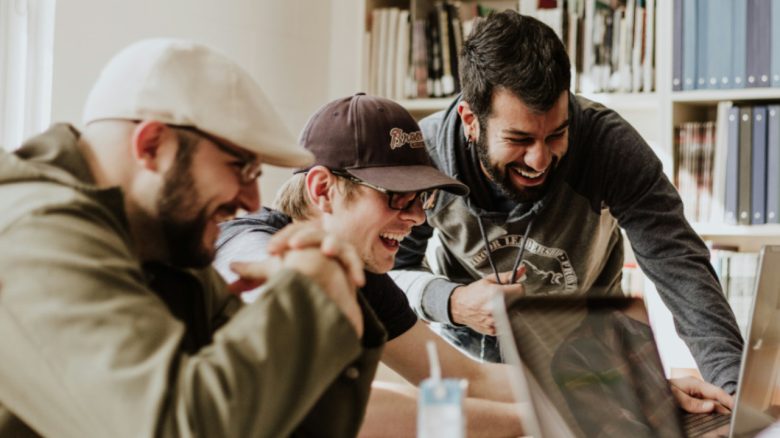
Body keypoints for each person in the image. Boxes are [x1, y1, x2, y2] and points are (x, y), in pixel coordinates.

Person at [0, 39, 382, 437]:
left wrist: (335, 295)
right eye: (241, 167)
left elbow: (281, 423)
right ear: (152, 146)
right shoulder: (36, 234)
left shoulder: (166, 246)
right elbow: (179, 428)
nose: (253, 202)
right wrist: (308, 295)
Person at [391, 10, 744, 399]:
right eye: (519, 139)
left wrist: (734, 394)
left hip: (590, 362)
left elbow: (681, 267)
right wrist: (452, 301)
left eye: (556, 134)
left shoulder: (608, 145)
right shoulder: (425, 158)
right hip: (471, 369)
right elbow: (389, 275)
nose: (539, 160)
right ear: (471, 120)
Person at [215, 93, 525, 437]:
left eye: (422, 198)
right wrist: (528, 423)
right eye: (397, 196)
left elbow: (468, 378)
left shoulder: (360, 272)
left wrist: (580, 387)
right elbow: (326, 403)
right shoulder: (247, 246)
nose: (417, 217)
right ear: (322, 189)